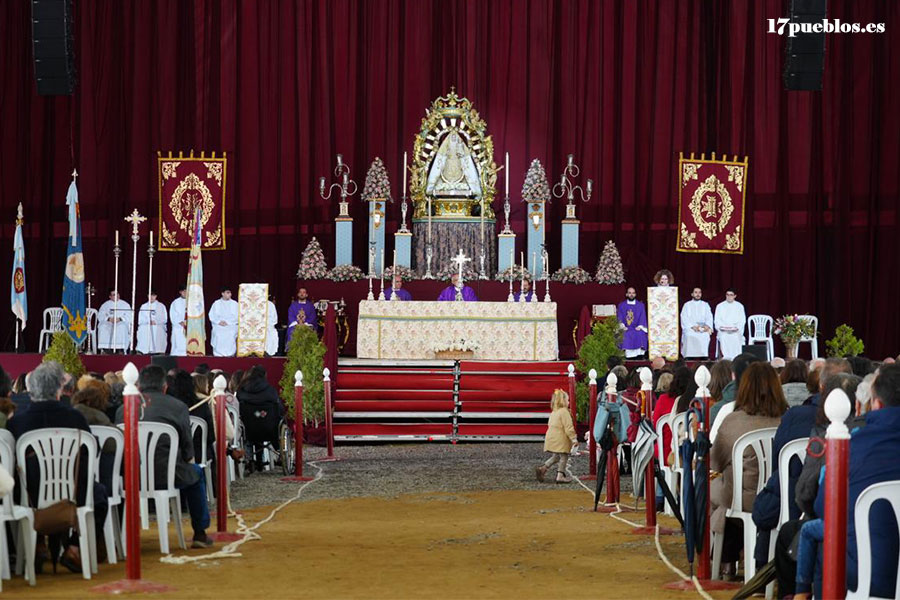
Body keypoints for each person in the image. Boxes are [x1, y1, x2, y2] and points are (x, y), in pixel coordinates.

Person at [8, 362, 109, 572]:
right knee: (99, 495)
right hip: (73, 494)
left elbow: (9, 462)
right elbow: (92, 453)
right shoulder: (75, 417)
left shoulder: (17, 422)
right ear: (59, 390)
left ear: (31, 390)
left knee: (11, 489)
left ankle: (34, 545)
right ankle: (74, 548)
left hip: (29, 496)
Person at [815, 363, 900, 598]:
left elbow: (823, 508)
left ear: (877, 403)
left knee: (824, 546)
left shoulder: (852, 447)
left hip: (869, 574)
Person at [115, 365, 214, 548]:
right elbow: (187, 449)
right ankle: (200, 533)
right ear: (165, 386)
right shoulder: (178, 407)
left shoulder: (123, 409)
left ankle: (117, 536)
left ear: (139, 385)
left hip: (129, 477)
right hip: (167, 474)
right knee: (196, 473)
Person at [710, 362, 787, 579]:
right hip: (778, 499)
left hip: (741, 499)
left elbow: (714, 463)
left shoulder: (733, 420)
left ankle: (725, 559)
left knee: (713, 491)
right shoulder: (787, 418)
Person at [237, 366, 283, 471]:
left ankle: (249, 458)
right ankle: (271, 455)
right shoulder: (271, 391)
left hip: (248, 429)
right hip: (270, 429)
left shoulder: (241, 391)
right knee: (265, 420)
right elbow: (279, 409)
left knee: (252, 420)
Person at [535, 389, 578, 484]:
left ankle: (543, 468)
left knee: (556, 456)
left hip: (551, 437)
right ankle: (560, 475)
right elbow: (568, 427)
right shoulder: (564, 412)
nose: (569, 402)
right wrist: (574, 439)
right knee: (564, 456)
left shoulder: (554, 411)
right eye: (568, 400)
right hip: (560, 438)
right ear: (563, 401)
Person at [681, 287, 713, 359]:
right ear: (692, 294)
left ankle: (703, 356)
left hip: (703, 328)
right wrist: (693, 327)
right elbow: (684, 318)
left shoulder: (705, 304)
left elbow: (709, 317)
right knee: (689, 334)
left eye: (699, 292)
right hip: (691, 328)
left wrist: (707, 326)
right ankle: (689, 356)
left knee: (705, 335)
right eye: (696, 292)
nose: (698, 294)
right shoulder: (687, 305)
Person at [714, 288, 745, 360]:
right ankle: (726, 358)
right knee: (724, 337)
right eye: (727, 295)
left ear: (735, 296)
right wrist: (723, 328)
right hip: (723, 331)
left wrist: (736, 328)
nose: (729, 297)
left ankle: (736, 358)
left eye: (731, 295)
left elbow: (742, 321)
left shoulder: (739, 306)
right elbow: (717, 320)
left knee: (735, 337)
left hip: (735, 331)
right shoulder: (720, 306)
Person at [617, 287, 648, 358]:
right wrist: (622, 326)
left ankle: (639, 355)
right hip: (626, 327)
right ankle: (626, 355)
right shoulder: (621, 305)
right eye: (629, 293)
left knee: (640, 333)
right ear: (626, 294)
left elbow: (642, 316)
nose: (631, 295)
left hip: (637, 327)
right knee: (625, 333)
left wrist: (640, 326)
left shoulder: (640, 305)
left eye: (633, 293)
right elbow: (620, 316)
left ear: (635, 294)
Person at [97, 288, 132, 353]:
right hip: (109, 322)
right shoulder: (105, 305)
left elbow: (129, 316)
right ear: (110, 296)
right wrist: (108, 319)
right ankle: (105, 348)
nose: (116, 296)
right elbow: (100, 315)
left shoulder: (125, 304)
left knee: (122, 327)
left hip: (120, 322)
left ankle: (120, 349)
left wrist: (120, 319)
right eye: (114, 294)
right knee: (103, 327)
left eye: (117, 294)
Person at [209, 286, 239, 357]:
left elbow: (237, 316)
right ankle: (218, 354)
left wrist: (228, 322)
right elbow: (212, 315)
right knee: (218, 333)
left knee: (230, 333)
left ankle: (230, 353)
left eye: (230, 293)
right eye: (228, 293)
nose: (230, 294)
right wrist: (219, 322)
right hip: (219, 325)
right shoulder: (216, 303)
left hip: (231, 325)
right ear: (222, 293)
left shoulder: (235, 304)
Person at [169, 285, 188, 356]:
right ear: (180, 292)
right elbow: (173, 314)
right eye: (184, 291)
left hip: (189, 326)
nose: (185, 293)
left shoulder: (192, 302)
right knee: (178, 342)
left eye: (187, 291)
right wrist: (180, 321)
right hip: (179, 327)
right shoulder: (175, 302)